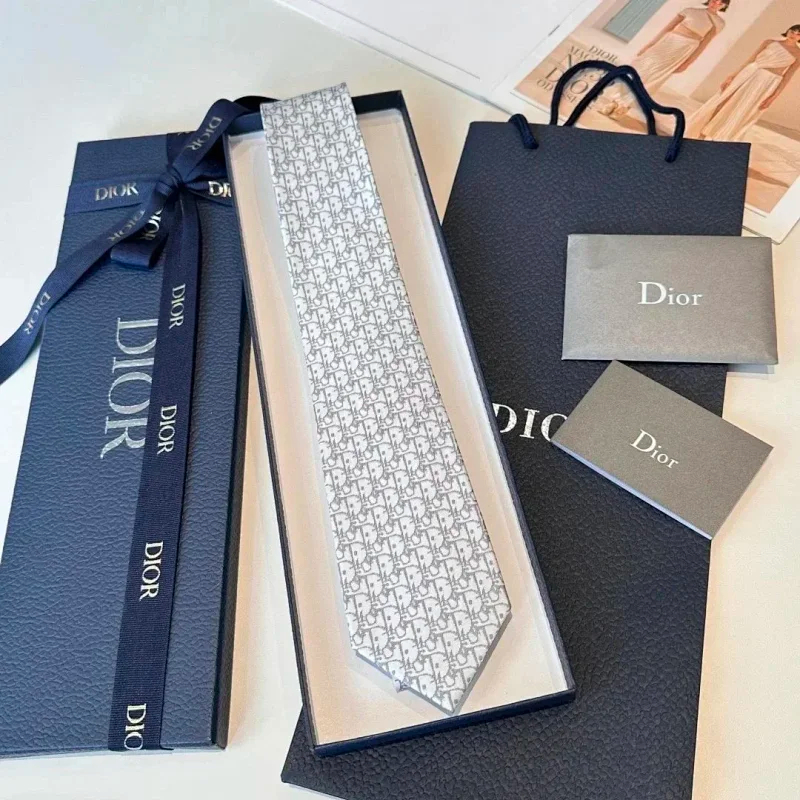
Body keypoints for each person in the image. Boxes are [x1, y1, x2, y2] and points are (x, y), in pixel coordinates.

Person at [600, 0, 729, 117]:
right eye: (714, 0)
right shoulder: (690, 11)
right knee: (640, 69)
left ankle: (624, 105)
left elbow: (704, 44)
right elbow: (667, 29)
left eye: (720, 2)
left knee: (655, 78)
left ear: (724, 6)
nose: (715, 3)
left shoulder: (719, 23)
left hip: (683, 50)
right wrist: (650, 45)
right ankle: (614, 100)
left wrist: (688, 63)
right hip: (667, 42)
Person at [687, 25, 800, 141]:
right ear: (788, 31)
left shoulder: (798, 54)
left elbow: (787, 77)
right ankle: (701, 133)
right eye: (793, 31)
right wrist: (732, 76)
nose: (794, 35)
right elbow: (750, 60)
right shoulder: (770, 42)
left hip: (767, 83)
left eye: (798, 34)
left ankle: (720, 137)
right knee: (724, 100)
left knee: (741, 109)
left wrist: (773, 97)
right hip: (749, 73)